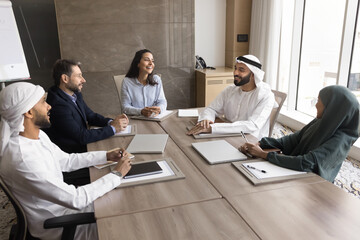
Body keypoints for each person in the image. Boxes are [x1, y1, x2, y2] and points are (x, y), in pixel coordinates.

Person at [0, 82, 131, 240]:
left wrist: (106, 156)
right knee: (128, 225)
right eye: (43, 101)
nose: (49, 106)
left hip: (66, 204)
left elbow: (67, 161)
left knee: (128, 202)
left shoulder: (36, 135)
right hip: (61, 223)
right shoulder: (23, 159)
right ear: (28, 112)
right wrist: (116, 174)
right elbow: (76, 199)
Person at [240, 85, 359, 182]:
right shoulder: (321, 121)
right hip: (296, 172)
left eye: (319, 101)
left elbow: (307, 163)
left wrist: (264, 155)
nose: (316, 104)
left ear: (333, 107)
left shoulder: (342, 139)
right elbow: (292, 140)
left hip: (313, 183)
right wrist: (261, 143)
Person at [44, 59, 129, 154]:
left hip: (84, 145)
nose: (83, 80)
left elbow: (91, 116)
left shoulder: (75, 94)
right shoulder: (57, 105)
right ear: (65, 79)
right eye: (79, 76)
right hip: (73, 154)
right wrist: (113, 128)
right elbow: (81, 136)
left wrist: (111, 122)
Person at [187, 54, 275, 139]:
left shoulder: (266, 96)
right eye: (235, 68)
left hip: (250, 141)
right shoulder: (230, 90)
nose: (235, 73)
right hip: (227, 134)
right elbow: (212, 108)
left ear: (253, 75)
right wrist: (206, 120)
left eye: (241, 70)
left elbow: (252, 126)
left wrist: (212, 128)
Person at [121, 49, 167, 117]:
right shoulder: (127, 82)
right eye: (147, 60)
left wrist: (159, 109)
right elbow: (125, 107)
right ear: (138, 63)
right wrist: (141, 111)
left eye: (152, 61)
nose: (151, 63)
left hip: (154, 119)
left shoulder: (157, 79)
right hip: (135, 120)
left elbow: (162, 101)